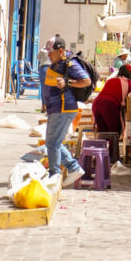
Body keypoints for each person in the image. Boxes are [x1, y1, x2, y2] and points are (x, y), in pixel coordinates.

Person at [43, 38, 92, 186]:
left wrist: (68, 82)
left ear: (61, 51)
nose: (49, 55)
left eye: (51, 52)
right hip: (55, 107)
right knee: (53, 143)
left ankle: (56, 174)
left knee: (52, 143)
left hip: (63, 108)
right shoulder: (58, 63)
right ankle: (71, 168)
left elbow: (86, 80)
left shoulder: (70, 63)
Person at [92, 64, 131, 135]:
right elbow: (130, 101)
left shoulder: (111, 80)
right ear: (130, 74)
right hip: (109, 105)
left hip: (96, 103)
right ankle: (112, 146)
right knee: (113, 133)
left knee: (102, 133)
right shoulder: (128, 83)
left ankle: (101, 146)